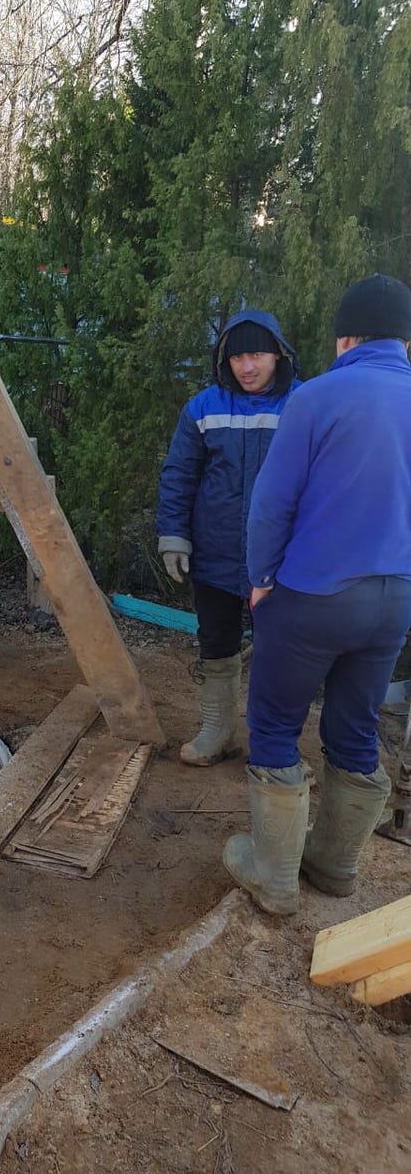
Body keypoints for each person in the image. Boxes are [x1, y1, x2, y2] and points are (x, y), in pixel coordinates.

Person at [224, 273, 411, 915]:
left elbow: (270, 506)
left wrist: (259, 578)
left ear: (345, 339)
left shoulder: (317, 398)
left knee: (275, 723)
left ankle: (273, 878)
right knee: (354, 728)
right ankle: (335, 866)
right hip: (394, 602)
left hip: (312, 597)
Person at [157, 311, 301, 765]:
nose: (247, 367)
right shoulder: (204, 407)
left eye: (257, 355)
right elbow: (179, 474)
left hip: (282, 562)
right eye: (237, 356)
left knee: (281, 656)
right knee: (216, 642)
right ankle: (218, 731)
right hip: (215, 553)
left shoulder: (304, 405)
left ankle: (276, 750)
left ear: (278, 355)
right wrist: (173, 537)